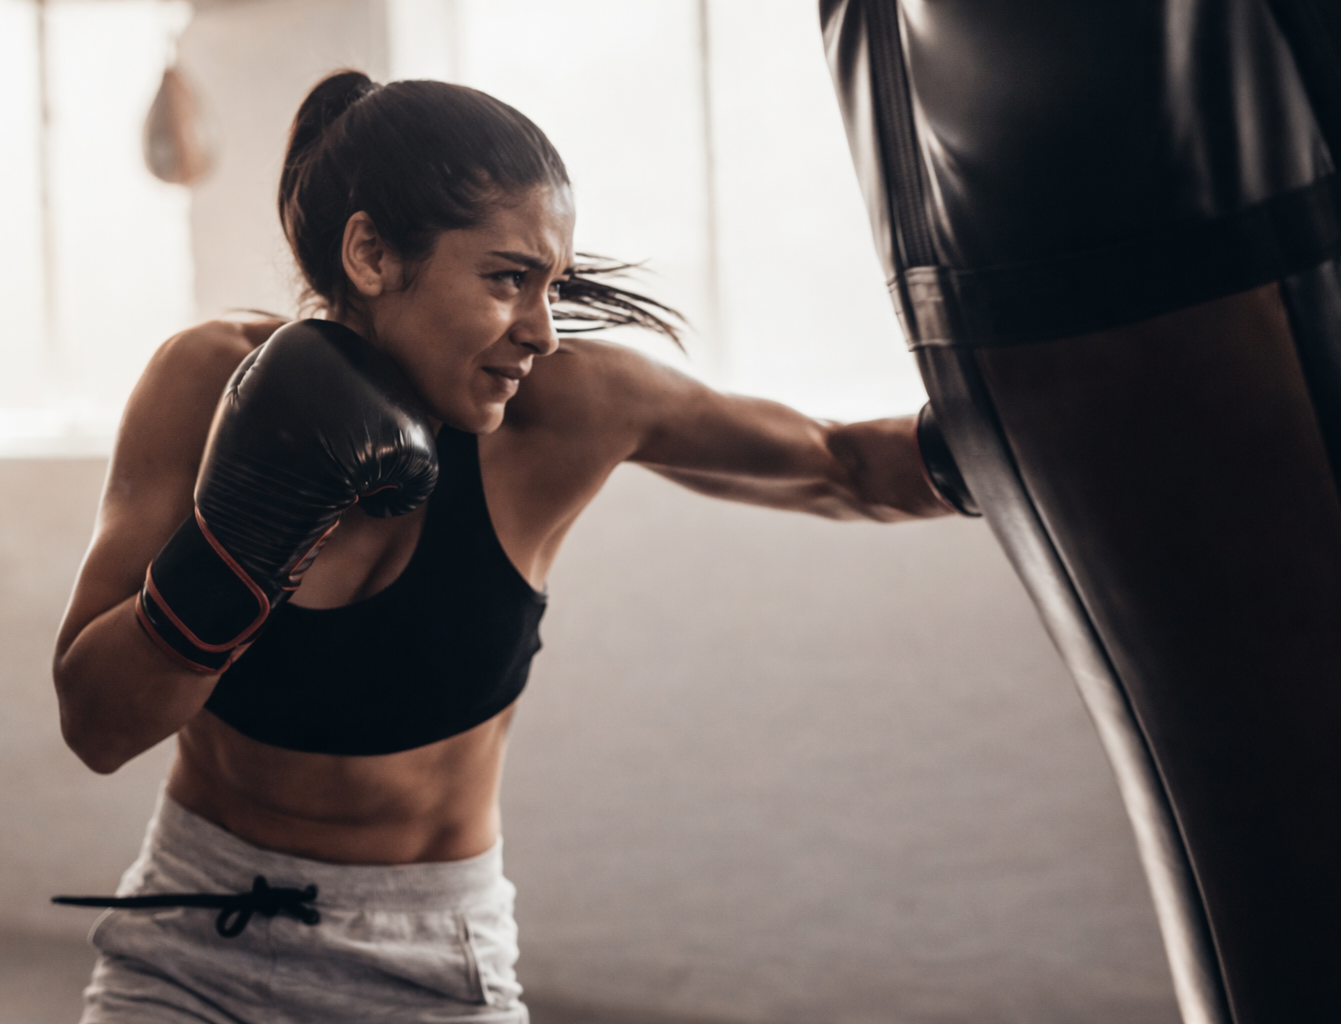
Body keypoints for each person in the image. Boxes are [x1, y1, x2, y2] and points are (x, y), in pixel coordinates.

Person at [52, 70, 967, 1024]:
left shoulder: (569, 411)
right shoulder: (204, 383)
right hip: (195, 942)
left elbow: (843, 466)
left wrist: (1065, 424)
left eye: (553, 285)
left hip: (429, 965)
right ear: (369, 252)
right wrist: (242, 533)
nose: (539, 330)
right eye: (507, 278)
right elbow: (98, 727)